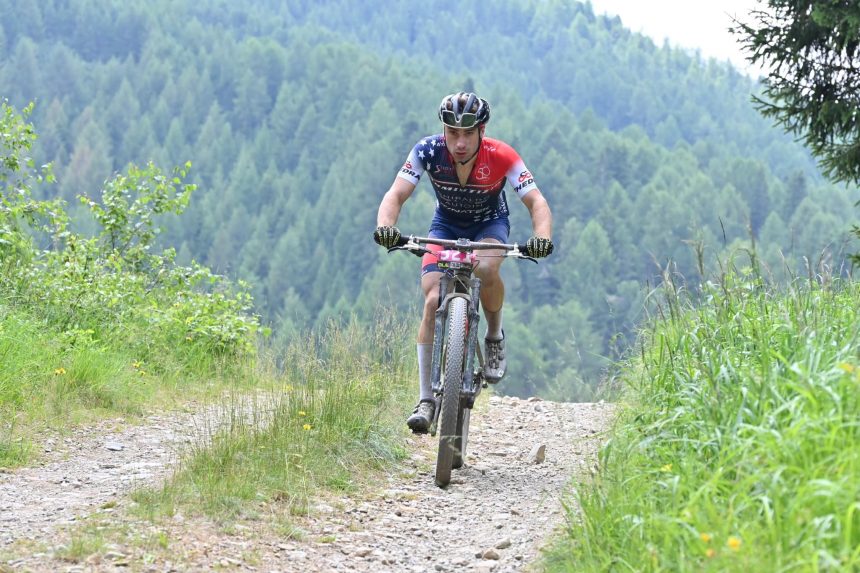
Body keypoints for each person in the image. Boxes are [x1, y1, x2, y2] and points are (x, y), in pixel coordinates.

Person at [373, 92, 554, 433]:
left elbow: (537, 201)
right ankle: (426, 399)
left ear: (481, 131)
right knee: (432, 299)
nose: (459, 142)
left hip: (489, 225)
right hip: (445, 225)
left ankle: (494, 335)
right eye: (452, 132)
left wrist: (541, 236)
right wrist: (386, 227)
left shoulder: (501, 155)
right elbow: (395, 194)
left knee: (485, 268)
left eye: (467, 133)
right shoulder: (428, 150)